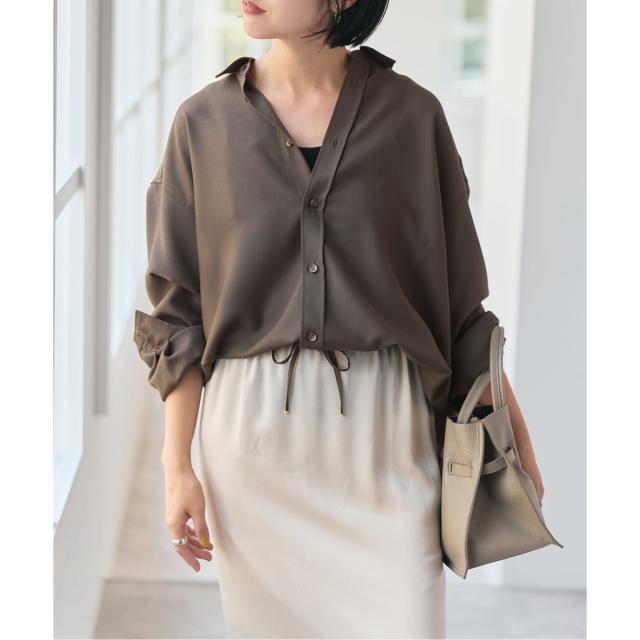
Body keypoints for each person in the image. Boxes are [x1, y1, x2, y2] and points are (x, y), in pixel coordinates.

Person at [133, 1, 546, 637]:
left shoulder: (412, 117)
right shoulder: (202, 123)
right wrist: (176, 465)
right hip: (252, 440)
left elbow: (459, 305)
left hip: (387, 439)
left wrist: (514, 437)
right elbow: (178, 315)